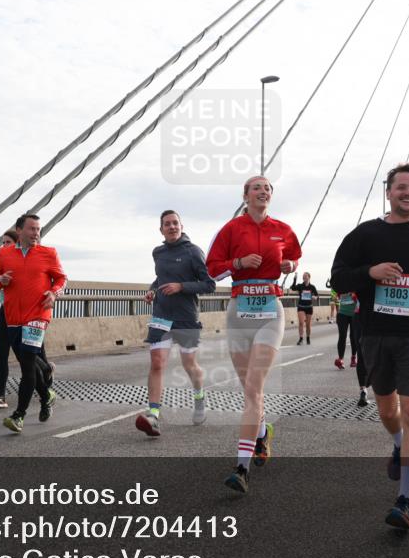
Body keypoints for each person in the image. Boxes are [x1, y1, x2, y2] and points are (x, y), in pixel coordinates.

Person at [331, 162, 409, 530]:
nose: (408, 193)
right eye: (401, 187)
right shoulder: (365, 235)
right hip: (376, 334)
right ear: (388, 193)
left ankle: (405, 500)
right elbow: (337, 278)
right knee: (388, 410)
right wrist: (370, 273)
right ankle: (399, 443)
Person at [207, 175, 301, 493]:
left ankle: (241, 469)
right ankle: (262, 434)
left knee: (253, 388)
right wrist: (238, 262)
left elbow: (294, 257)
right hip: (239, 312)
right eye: (256, 188)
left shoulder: (283, 229)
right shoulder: (232, 229)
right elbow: (212, 269)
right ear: (245, 195)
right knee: (250, 392)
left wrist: (290, 265)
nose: (263, 191)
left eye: (267, 188)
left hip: (270, 313)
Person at [136, 210, 216, 437]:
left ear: (181, 226)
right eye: (167, 224)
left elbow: (209, 284)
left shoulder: (193, 252)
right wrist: (152, 290)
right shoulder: (158, 252)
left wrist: (181, 287)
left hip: (186, 317)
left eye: (175, 223)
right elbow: (160, 279)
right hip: (161, 315)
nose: (172, 227)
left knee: (189, 364)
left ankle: (199, 397)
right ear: (161, 229)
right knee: (157, 363)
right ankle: (153, 416)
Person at [0, 214, 67, 433]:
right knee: (28, 361)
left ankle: (19, 415)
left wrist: (53, 293)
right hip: (13, 317)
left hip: (38, 314)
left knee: (27, 364)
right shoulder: (4, 253)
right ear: (19, 230)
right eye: (32, 229)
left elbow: (62, 279)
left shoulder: (48, 253)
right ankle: (46, 395)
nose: (36, 233)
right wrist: (1, 281)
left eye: (38, 229)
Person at [0, 230, 56, 410]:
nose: (4, 246)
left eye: (8, 242)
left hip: (30, 314)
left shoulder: (32, 259)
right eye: (3, 243)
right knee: (1, 353)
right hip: (6, 312)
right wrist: (1, 279)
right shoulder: (3, 259)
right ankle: (0, 396)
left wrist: (51, 293)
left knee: (31, 355)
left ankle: (45, 382)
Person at [334, 291, 369, 407]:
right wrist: (337, 296)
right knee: (342, 336)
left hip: (355, 313)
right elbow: (335, 294)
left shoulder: (355, 283)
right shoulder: (341, 284)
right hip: (343, 312)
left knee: (354, 338)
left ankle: (353, 357)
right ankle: (341, 359)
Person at [290, 272, 319, 345]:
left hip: (309, 307)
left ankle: (308, 337)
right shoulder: (300, 286)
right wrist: (295, 278)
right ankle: (301, 338)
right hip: (301, 306)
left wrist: (315, 297)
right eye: (303, 276)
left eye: (305, 276)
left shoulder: (312, 287)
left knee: (308, 324)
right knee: (301, 323)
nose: (304, 277)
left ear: (309, 277)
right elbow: (293, 288)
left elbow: (317, 296)